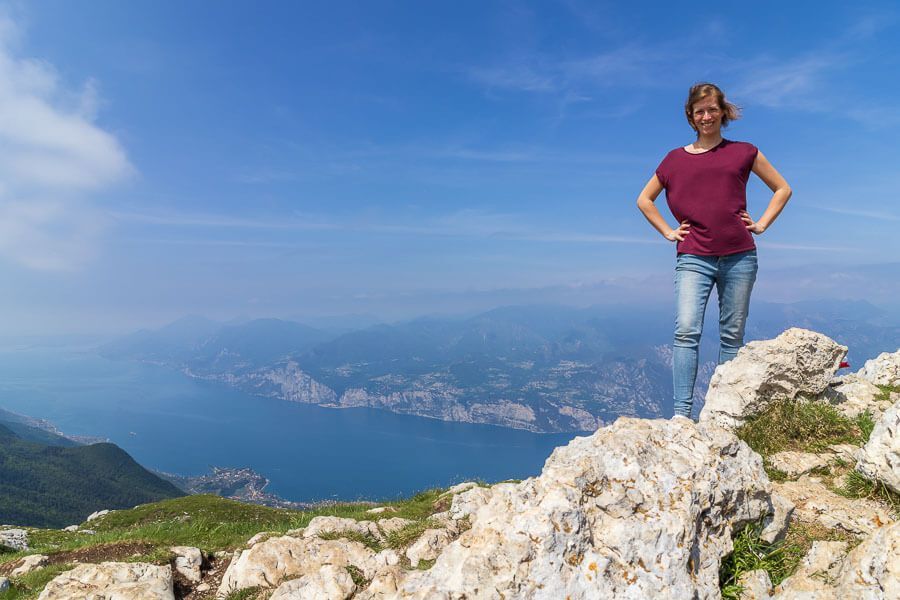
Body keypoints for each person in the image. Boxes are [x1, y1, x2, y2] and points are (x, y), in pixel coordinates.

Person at [636, 83, 792, 420]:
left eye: (711, 110)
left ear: (723, 112)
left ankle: (722, 412)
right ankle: (681, 415)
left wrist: (762, 224)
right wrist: (668, 231)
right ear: (691, 117)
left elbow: (782, 188)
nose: (706, 116)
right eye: (699, 111)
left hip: (740, 256)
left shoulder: (744, 151)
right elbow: (644, 199)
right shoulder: (673, 159)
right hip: (693, 256)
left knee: (731, 336)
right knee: (686, 331)